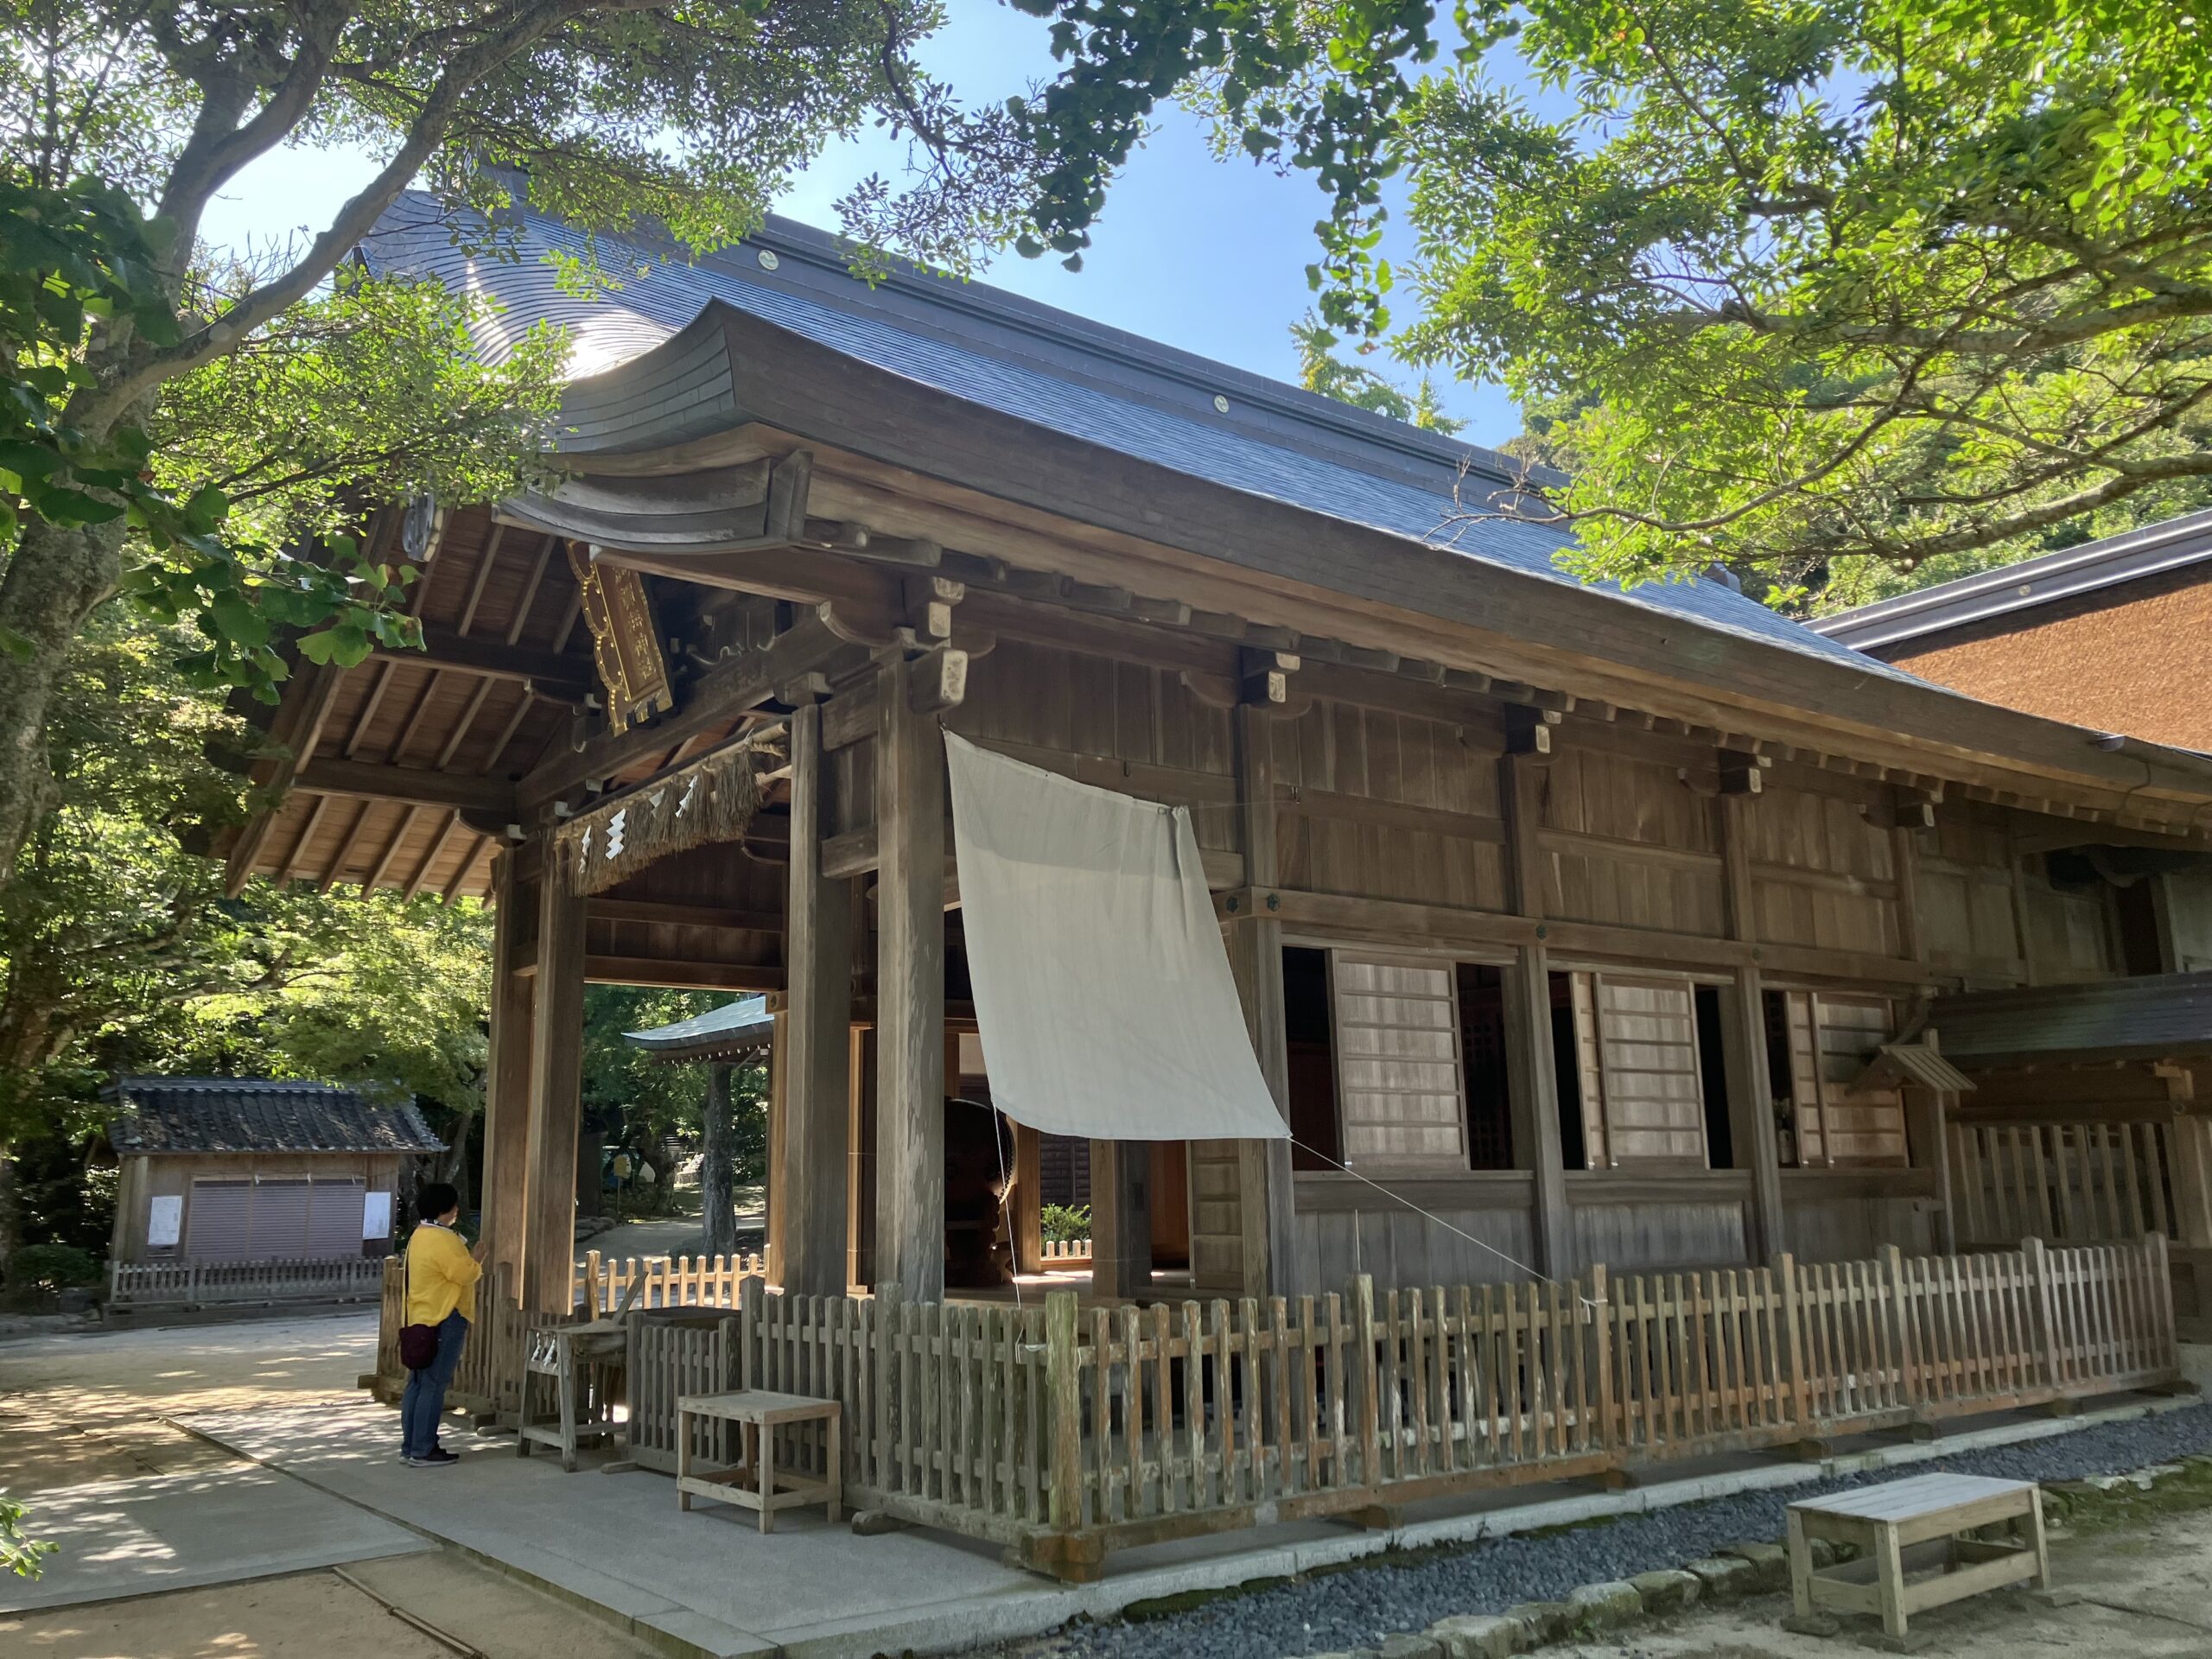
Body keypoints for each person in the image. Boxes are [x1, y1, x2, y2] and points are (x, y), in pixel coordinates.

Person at [400, 1182, 486, 1467]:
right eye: (453, 1205)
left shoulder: (419, 1235)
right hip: (445, 1316)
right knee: (433, 1386)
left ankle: (411, 1446)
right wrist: (478, 1257)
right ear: (444, 1209)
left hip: (420, 1317)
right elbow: (465, 1274)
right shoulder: (444, 1239)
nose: (457, 1209)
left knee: (416, 1383)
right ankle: (424, 1449)